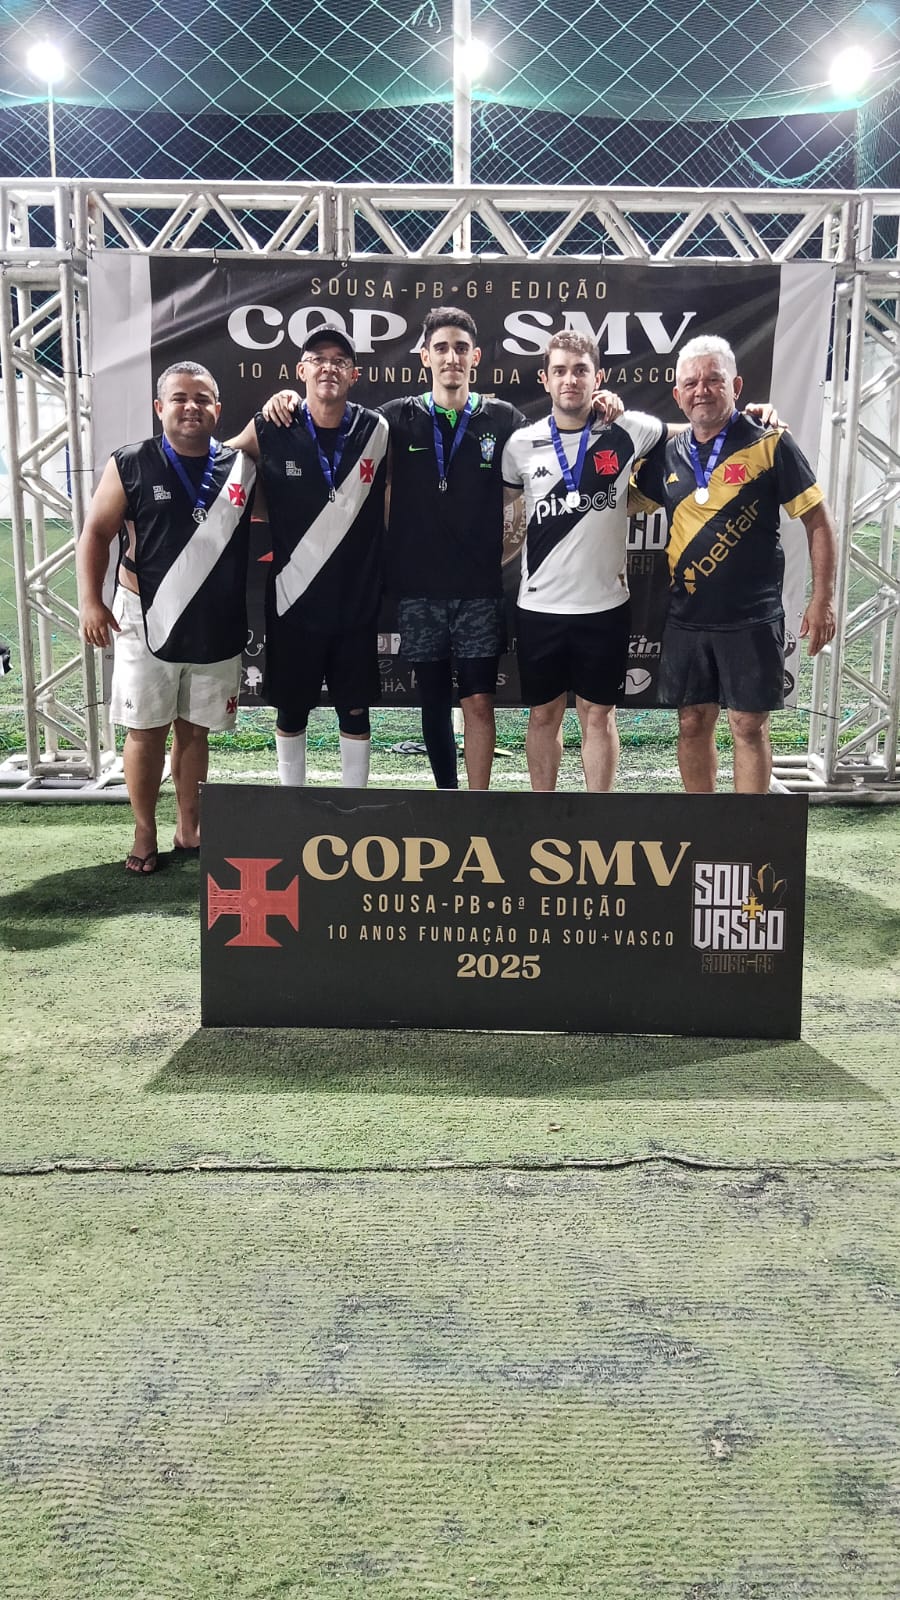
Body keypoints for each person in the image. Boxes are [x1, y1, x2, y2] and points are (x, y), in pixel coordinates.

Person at [77, 361, 256, 873]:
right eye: (179, 398)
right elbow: (96, 533)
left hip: (214, 620)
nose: (191, 407)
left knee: (195, 731)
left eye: (201, 399)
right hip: (144, 617)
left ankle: (189, 826)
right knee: (145, 730)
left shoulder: (239, 467)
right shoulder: (131, 462)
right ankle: (144, 830)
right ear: (159, 408)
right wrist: (91, 601)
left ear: (217, 408)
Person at [645, 333, 837, 793]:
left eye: (713, 380)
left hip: (752, 618)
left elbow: (818, 521)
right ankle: (704, 824)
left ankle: (748, 829)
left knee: (748, 726)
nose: (702, 390)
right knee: (692, 722)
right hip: (687, 618)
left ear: (735, 385)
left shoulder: (770, 442)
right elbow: (618, 498)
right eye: (691, 383)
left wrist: (823, 600)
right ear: (677, 394)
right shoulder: (667, 453)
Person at [501, 331, 666, 792]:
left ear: (599, 377)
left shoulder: (629, 430)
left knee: (599, 715)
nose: (570, 380)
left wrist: (753, 416)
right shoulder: (520, 445)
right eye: (559, 371)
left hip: (604, 607)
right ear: (544, 379)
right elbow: (507, 516)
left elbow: (687, 431)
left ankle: (599, 817)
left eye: (580, 370)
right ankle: (544, 813)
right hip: (540, 608)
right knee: (543, 715)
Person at [229, 326, 388, 788]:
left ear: (354, 374)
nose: (328, 367)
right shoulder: (271, 425)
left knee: (354, 711)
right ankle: (291, 806)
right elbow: (219, 467)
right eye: (318, 359)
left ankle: (353, 808)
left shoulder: (376, 429)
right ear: (301, 370)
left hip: (355, 602)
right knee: (291, 710)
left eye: (340, 361)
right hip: (292, 599)